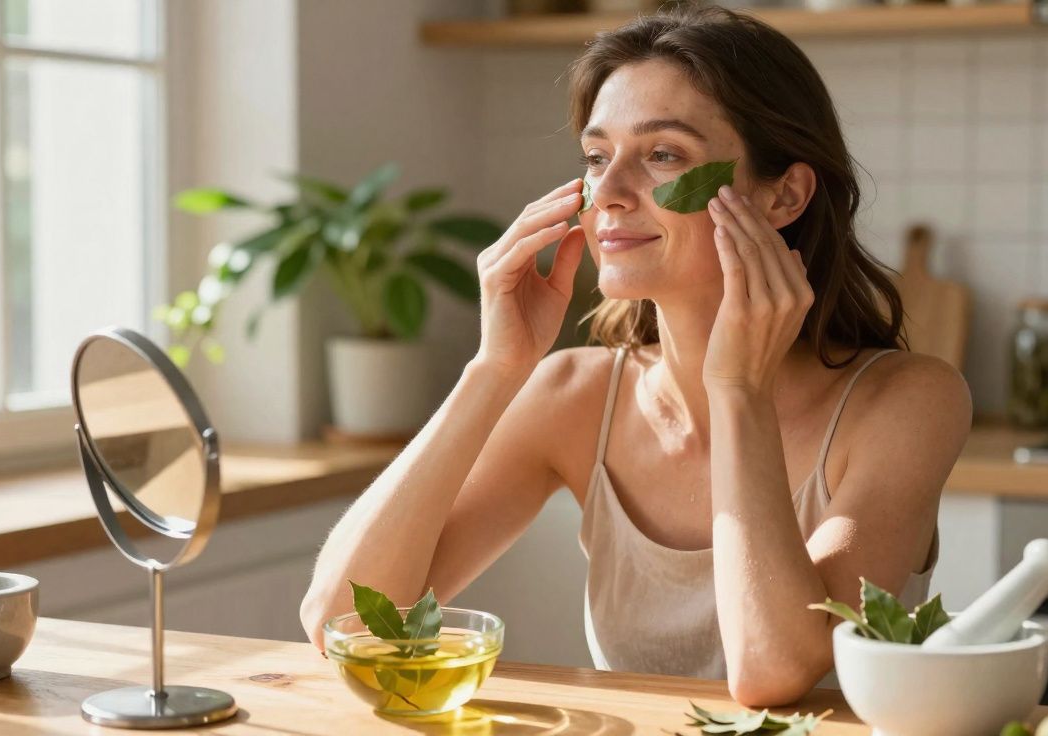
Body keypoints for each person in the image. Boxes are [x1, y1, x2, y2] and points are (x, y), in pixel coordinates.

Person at [300, 3, 971, 706]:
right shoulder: (574, 397)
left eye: (662, 155)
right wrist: (494, 369)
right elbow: (342, 621)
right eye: (596, 157)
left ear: (783, 196)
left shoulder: (907, 402)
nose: (609, 194)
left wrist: (737, 391)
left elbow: (774, 671)